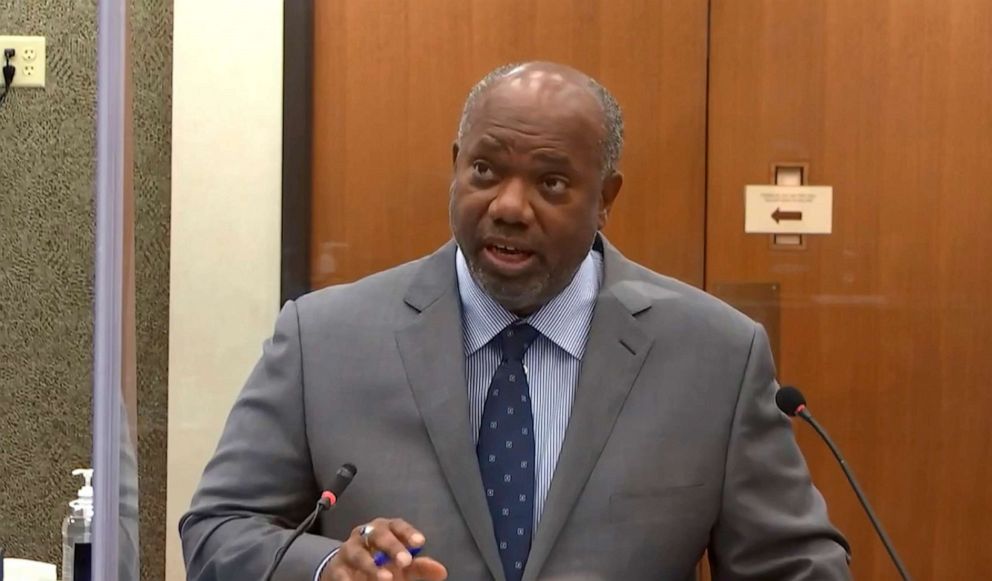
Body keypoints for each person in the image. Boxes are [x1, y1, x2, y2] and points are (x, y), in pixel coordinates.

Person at [180, 62, 850, 581]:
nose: (508, 205)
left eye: (551, 184)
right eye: (484, 169)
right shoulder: (322, 339)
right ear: (455, 167)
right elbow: (217, 530)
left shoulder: (715, 357)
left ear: (605, 198)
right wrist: (329, 566)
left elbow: (796, 565)